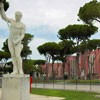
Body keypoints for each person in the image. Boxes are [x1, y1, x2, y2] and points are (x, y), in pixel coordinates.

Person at [0, 3, 26, 74]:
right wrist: (2, 9)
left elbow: (22, 35)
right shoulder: (11, 21)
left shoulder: (23, 25)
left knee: (17, 55)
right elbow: (3, 17)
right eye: (16, 15)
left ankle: (20, 70)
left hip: (17, 40)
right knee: (13, 55)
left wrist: (17, 41)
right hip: (10, 39)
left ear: (21, 16)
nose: (16, 16)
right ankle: (15, 70)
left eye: (18, 15)